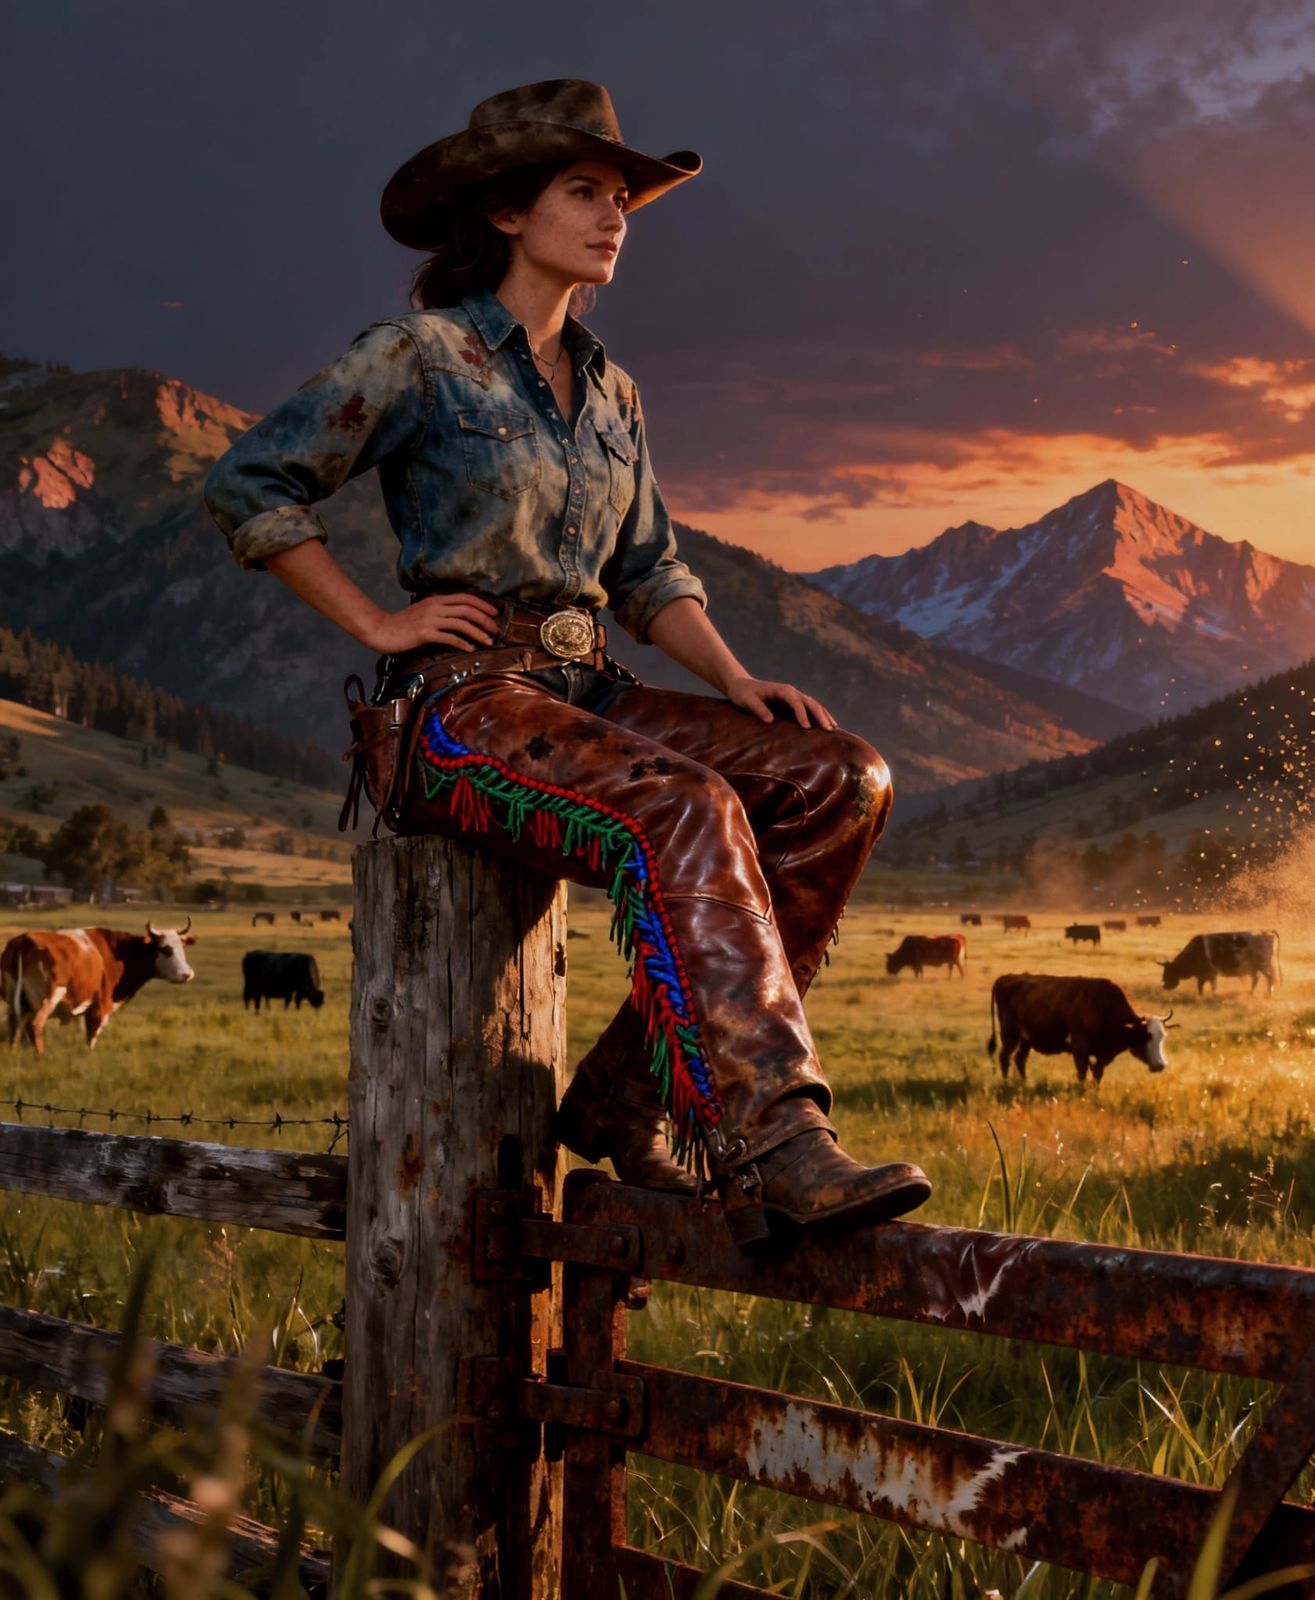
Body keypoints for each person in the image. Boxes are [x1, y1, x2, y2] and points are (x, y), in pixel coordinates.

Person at [203, 79, 931, 1253]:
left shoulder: (611, 390)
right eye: (585, 191)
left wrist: (735, 679)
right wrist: (378, 624)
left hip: (587, 690)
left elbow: (647, 570)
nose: (613, 216)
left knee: (838, 776)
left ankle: (620, 1100)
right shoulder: (421, 355)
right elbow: (251, 481)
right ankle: (775, 1141)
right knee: (684, 803)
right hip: (459, 708)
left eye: (622, 200)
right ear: (506, 210)